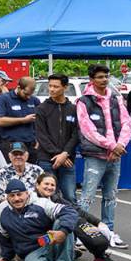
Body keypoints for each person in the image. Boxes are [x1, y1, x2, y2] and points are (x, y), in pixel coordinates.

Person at [0, 179, 93, 261]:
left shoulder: (41, 203)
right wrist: (6, 258)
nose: (16, 199)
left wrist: (63, 232)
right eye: (12, 195)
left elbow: (70, 212)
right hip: (30, 251)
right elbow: (4, 236)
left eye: (19, 194)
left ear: (26, 193)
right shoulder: (2, 210)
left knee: (62, 221)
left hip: (47, 241)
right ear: (7, 197)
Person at [76, 64, 131, 249]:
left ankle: (108, 232)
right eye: (99, 77)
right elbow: (87, 130)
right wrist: (111, 145)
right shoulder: (84, 101)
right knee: (87, 196)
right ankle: (80, 233)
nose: (104, 80)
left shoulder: (116, 99)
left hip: (115, 155)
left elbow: (126, 123)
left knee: (110, 196)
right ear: (92, 79)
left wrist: (120, 145)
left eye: (106, 76)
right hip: (95, 155)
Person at [33, 174, 121, 261]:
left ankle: (99, 256)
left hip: (56, 237)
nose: (49, 187)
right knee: (64, 220)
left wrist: (98, 223)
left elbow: (75, 210)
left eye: (52, 185)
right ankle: (65, 255)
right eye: (46, 184)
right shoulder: (31, 202)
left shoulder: (56, 198)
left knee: (74, 218)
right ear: (37, 185)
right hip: (38, 241)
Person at [34, 74, 79, 203]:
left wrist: (65, 154)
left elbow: (76, 134)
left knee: (70, 197)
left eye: (56, 86)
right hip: (47, 160)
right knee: (47, 198)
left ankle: (69, 223)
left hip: (68, 160)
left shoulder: (73, 109)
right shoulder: (42, 109)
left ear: (65, 87)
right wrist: (57, 154)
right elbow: (41, 135)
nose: (52, 89)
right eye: (50, 86)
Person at [0, 76, 40, 155]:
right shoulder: (5, 99)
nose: (28, 97)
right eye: (26, 94)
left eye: (30, 95)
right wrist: (23, 120)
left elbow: (41, 122)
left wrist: (39, 140)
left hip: (30, 145)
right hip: (11, 145)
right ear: (19, 87)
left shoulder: (34, 100)